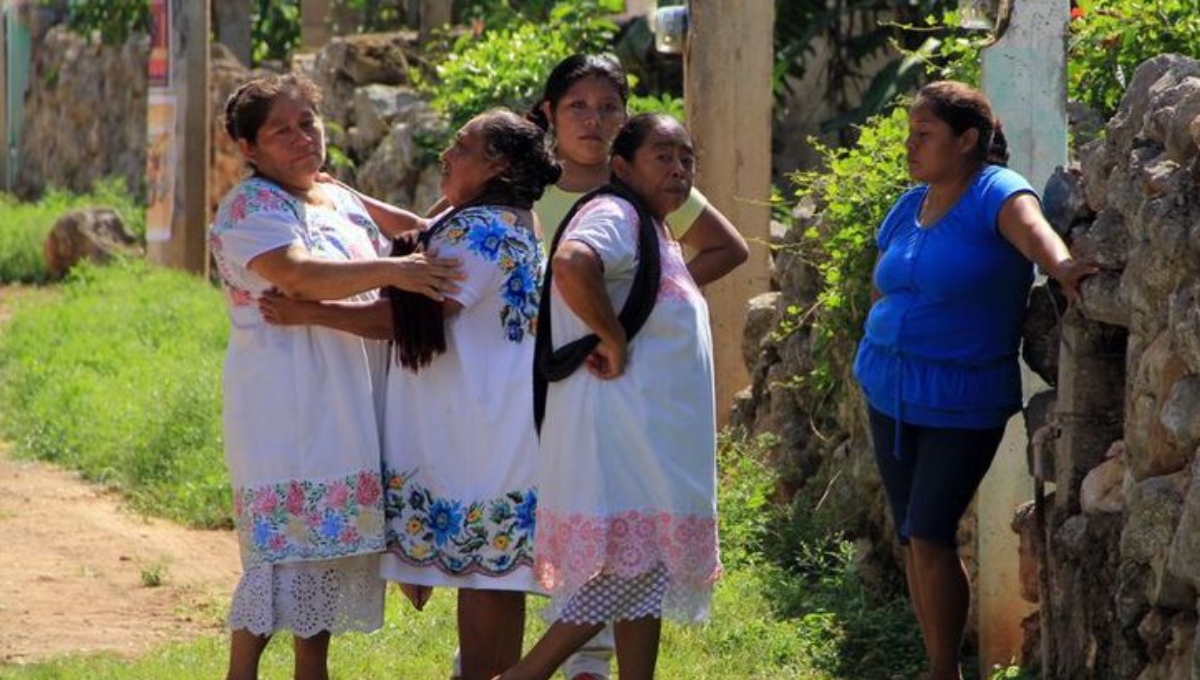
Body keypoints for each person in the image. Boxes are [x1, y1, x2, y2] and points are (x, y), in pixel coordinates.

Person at [259, 108, 562, 680]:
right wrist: (344, 192)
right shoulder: (505, 218)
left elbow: (402, 317)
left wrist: (307, 311)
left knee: (482, 575)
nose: (447, 155)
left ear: (496, 163)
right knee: (496, 571)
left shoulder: (481, 230)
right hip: (497, 419)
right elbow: (415, 229)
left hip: (479, 426)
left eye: (462, 147)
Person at [210, 74, 461, 680]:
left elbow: (419, 229)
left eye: (308, 123)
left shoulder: (336, 198)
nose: (301, 139)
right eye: (281, 131)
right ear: (249, 148)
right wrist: (398, 274)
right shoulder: (249, 207)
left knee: (326, 559)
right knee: (280, 563)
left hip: (349, 400)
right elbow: (298, 275)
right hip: (288, 409)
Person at [852, 81, 1097, 680]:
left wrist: (1063, 266)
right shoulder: (910, 204)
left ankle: (945, 672)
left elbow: (1036, 231)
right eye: (910, 135)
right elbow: (886, 283)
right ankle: (940, 666)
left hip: (962, 400)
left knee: (931, 529)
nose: (911, 147)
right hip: (888, 388)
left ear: (967, 140)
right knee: (915, 535)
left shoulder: (995, 191)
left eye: (924, 136)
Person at [519, 51, 745, 680]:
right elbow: (570, 266)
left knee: (642, 570)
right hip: (619, 432)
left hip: (649, 437)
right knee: (626, 569)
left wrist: (629, 314)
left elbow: (728, 249)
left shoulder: (657, 228)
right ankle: (521, 674)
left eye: (685, 160)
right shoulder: (615, 212)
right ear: (624, 167)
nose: (677, 170)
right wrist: (613, 336)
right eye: (662, 159)